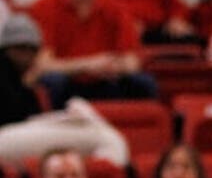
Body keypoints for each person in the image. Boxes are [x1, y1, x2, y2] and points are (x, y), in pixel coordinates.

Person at [30, 0, 158, 108]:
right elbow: (42, 65)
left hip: (106, 82)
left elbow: (131, 60)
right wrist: (87, 65)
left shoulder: (117, 8)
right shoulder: (44, 7)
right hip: (67, 84)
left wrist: (113, 66)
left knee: (143, 83)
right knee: (53, 81)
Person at [0, 14, 130, 169]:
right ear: (7, 50)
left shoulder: (20, 80)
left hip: (13, 135)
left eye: (31, 50)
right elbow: (15, 114)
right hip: (5, 138)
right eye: (20, 49)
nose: (26, 57)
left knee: (89, 121)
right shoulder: (4, 73)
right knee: (106, 138)